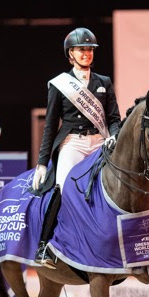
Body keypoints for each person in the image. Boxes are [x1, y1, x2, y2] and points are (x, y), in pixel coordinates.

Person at [31, 27, 121, 269]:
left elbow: (113, 118)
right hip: (73, 143)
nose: (87, 53)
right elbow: (50, 126)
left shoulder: (104, 82)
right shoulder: (60, 84)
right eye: (81, 49)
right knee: (62, 187)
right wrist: (42, 163)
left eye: (90, 49)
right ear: (70, 53)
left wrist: (113, 136)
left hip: (100, 141)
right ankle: (44, 246)